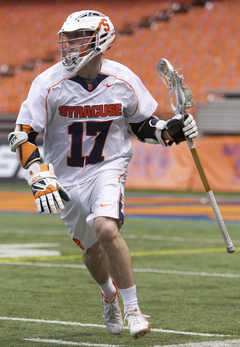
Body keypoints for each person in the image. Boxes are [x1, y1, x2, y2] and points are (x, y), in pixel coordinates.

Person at [8, 10, 198, 339]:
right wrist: (39, 172)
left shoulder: (122, 79)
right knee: (92, 251)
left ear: (101, 39)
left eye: (79, 37)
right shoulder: (48, 84)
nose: (69, 45)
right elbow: (23, 135)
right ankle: (108, 293)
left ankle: (134, 309)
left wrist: (170, 131)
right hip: (65, 177)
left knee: (107, 229)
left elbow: (143, 126)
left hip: (108, 166)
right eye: (68, 38)